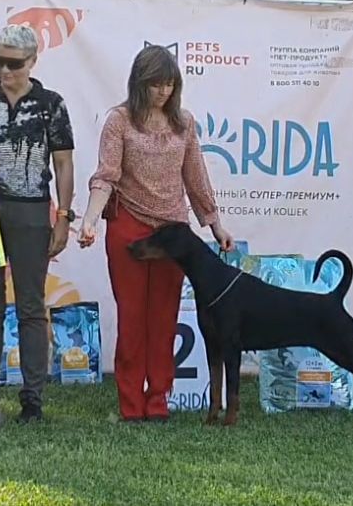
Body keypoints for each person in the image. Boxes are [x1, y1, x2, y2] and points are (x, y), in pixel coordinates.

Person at [78, 44, 234, 423]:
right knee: (132, 317)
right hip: (128, 227)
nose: (163, 91)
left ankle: (159, 399)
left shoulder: (184, 123)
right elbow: (106, 176)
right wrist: (90, 219)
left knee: (164, 318)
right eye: (155, 84)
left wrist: (215, 224)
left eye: (169, 84)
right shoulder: (119, 121)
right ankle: (131, 404)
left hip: (173, 234)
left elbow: (196, 178)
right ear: (139, 83)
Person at [0, 24, 75, 423]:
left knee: (31, 306)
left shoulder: (52, 104)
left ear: (33, 61)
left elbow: (63, 163)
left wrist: (63, 216)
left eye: (14, 63)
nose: (5, 70)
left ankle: (33, 399)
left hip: (32, 212)